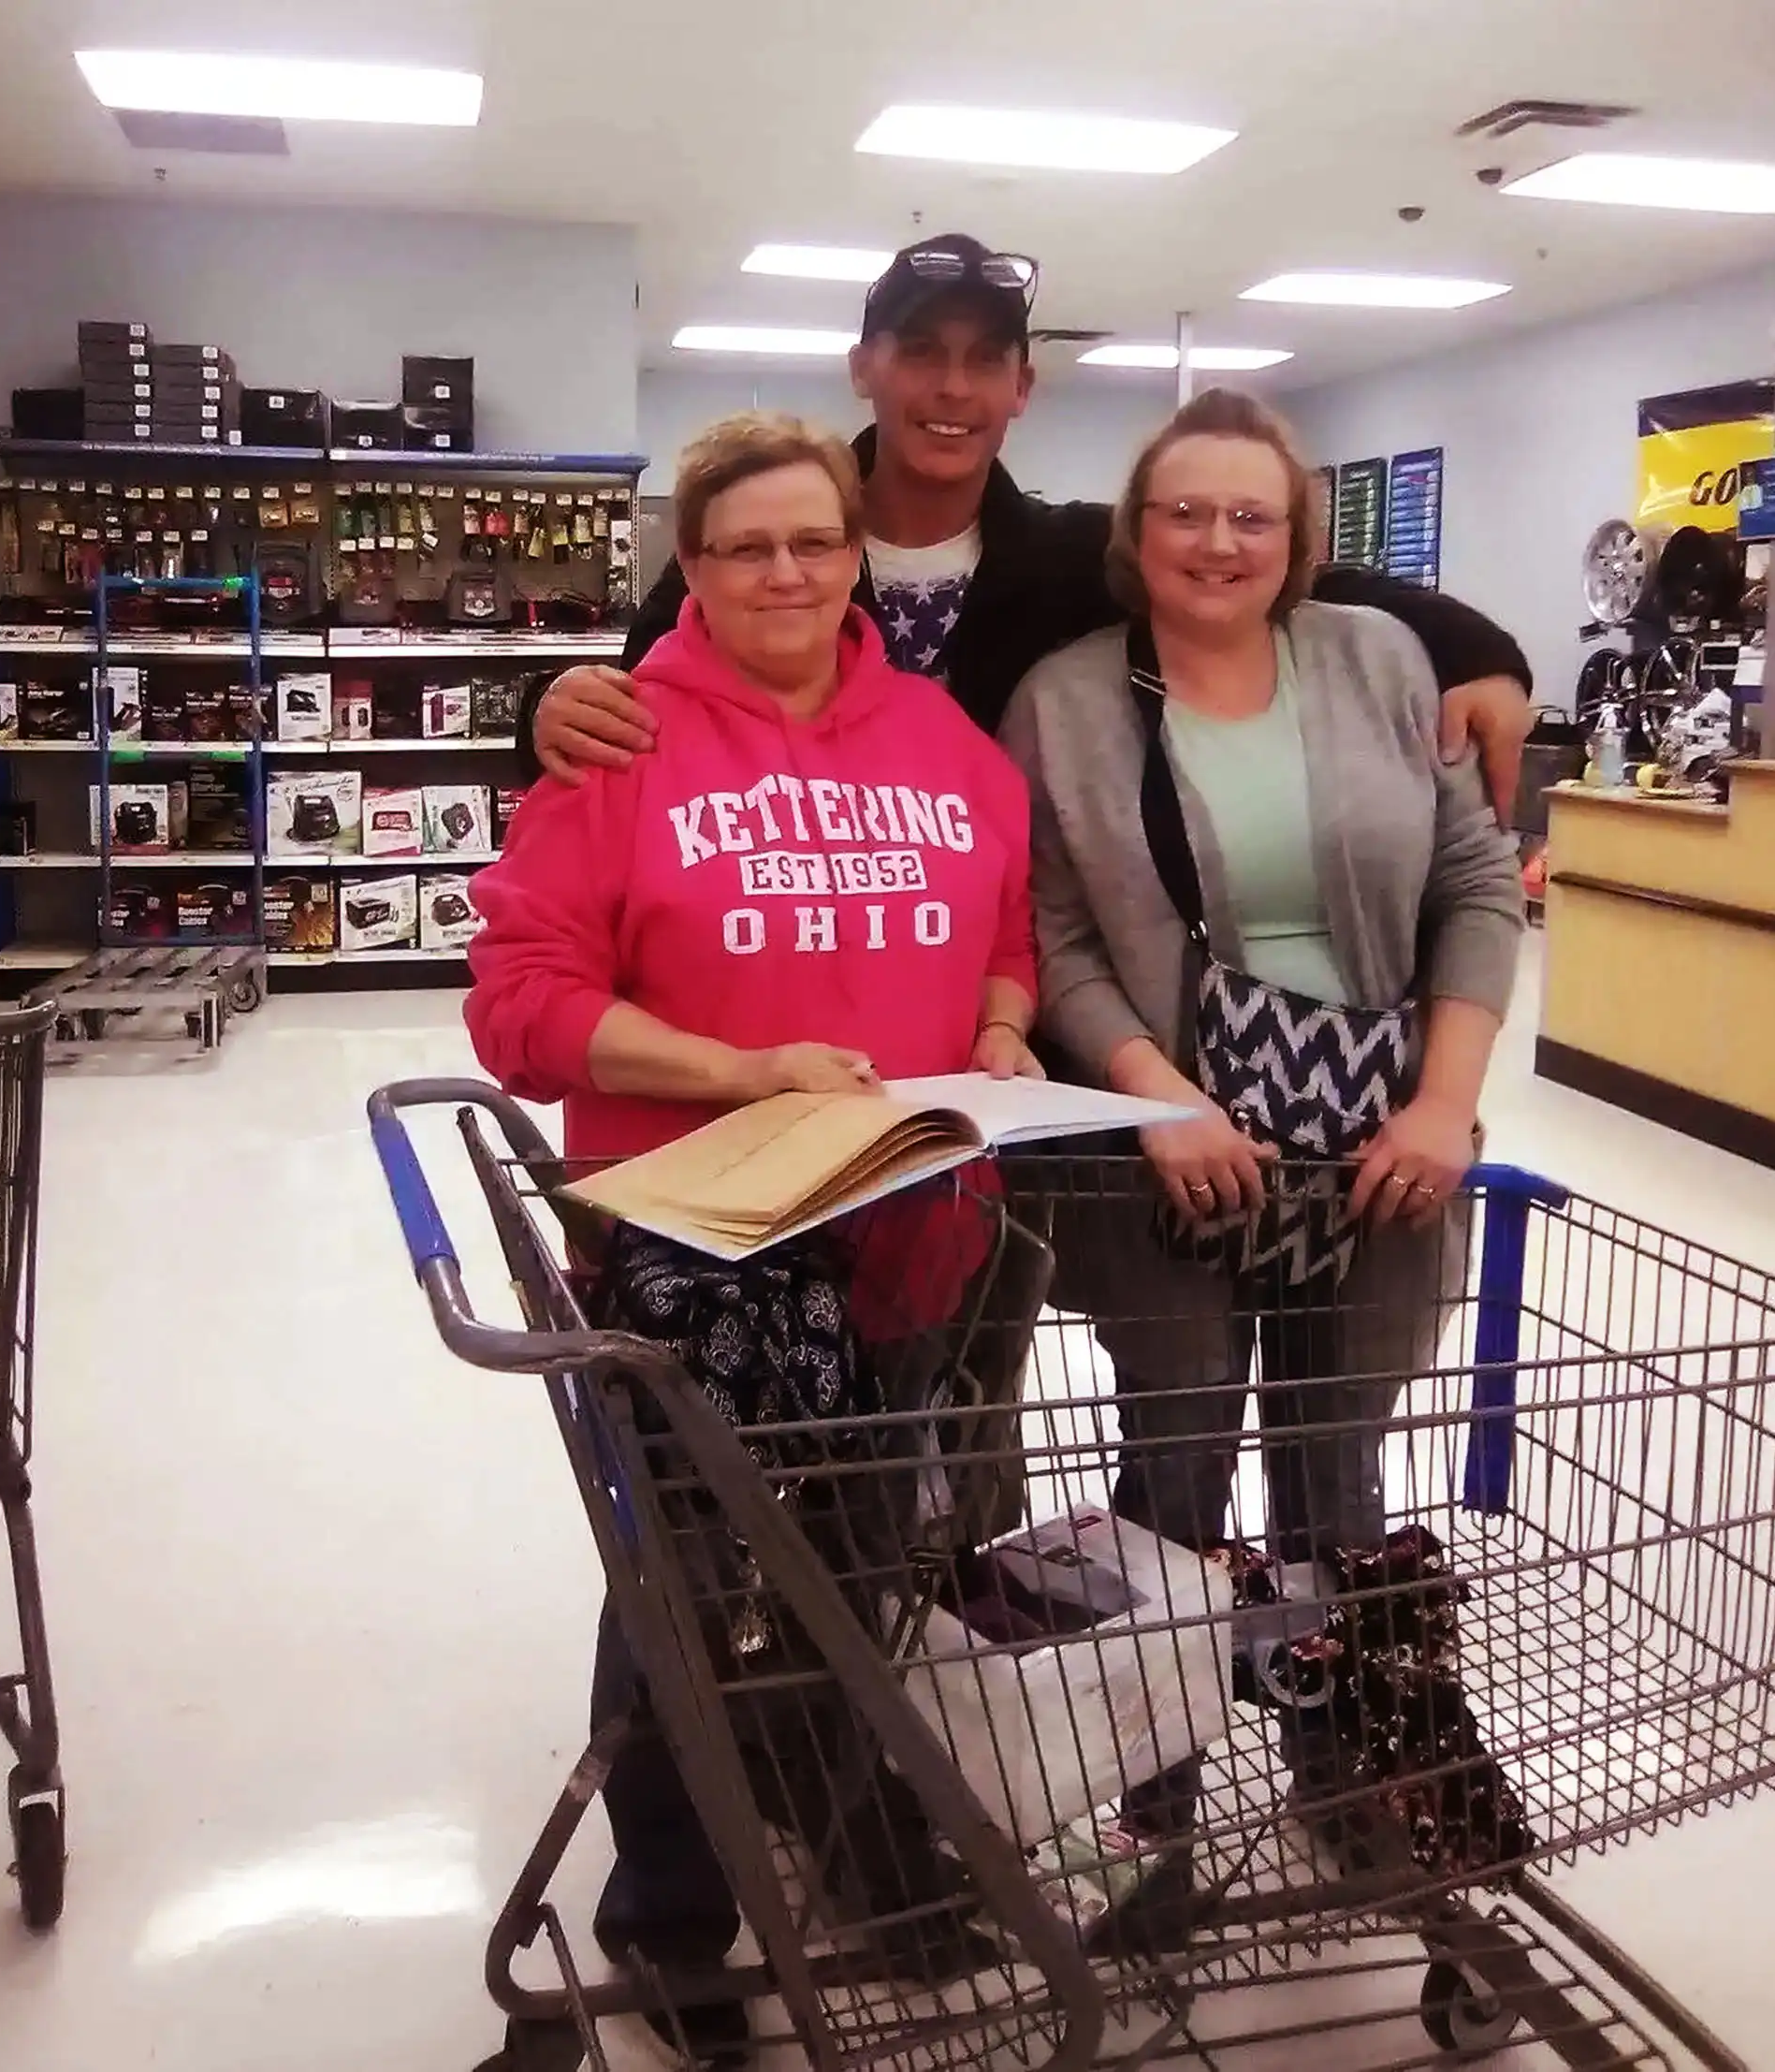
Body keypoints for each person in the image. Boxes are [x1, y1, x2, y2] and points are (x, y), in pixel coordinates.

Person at [465, 411, 1039, 2064]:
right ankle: (670, 1921)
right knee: (687, 1586)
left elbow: (1009, 921)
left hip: (911, 1232)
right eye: (744, 546)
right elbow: (520, 1002)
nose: (785, 571)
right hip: (695, 1249)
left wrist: (1004, 1026)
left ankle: (851, 1845)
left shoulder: (944, 738)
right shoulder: (618, 744)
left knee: (859, 1568)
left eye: (814, 539)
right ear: (693, 567)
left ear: (859, 554)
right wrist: (741, 1070)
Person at [998, 387, 1524, 1913]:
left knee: (1333, 1471)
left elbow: (1477, 883)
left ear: (1299, 536)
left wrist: (1442, 1101)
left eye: (1252, 513)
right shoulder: (1064, 698)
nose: (1218, 540)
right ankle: (1147, 1801)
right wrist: (1157, 1092)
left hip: (1379, 1145)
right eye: (1185, 510)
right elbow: (1057, 932)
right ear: (1135, 532)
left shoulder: (1379, 659)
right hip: (1170, 1148)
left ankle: (1345, 1773)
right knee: (1173, 1465)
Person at [518, 233, 1536, 825]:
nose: (952, 388)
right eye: (922, 352)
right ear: (864, 368)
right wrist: (545, 708)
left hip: (1013, 978)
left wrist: (1480, 655)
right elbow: (630, 693)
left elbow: (1289, 576)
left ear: (1022, 387)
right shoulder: (770, 548)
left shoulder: (1073, 558)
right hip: (790, 946)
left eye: (985, 361)